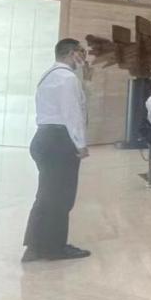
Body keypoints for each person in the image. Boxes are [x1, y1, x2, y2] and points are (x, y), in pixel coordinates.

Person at [23, 38, 91, 262]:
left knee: (46, 195)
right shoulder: (67, 78)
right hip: (60, 141)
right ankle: (53, 248)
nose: (83, 57)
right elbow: (72, 113)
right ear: (71, 53)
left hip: (44, 138)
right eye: (81, 52)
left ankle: (35, 246)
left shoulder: (48, 76)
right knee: (61, 197)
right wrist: (80, 143)